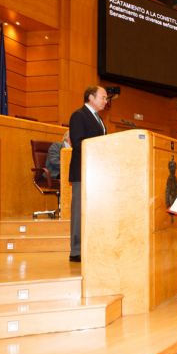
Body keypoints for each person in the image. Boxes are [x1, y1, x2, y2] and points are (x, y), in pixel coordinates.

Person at [68, 85, 108, 263]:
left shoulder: (98, 118)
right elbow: (78, 143)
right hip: (82, 171)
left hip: (96, 172)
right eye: (103, 97)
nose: (106, 101)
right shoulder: (79, 115)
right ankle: (76, 251)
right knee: (79, 211)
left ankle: (91, 245)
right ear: (91, 97)